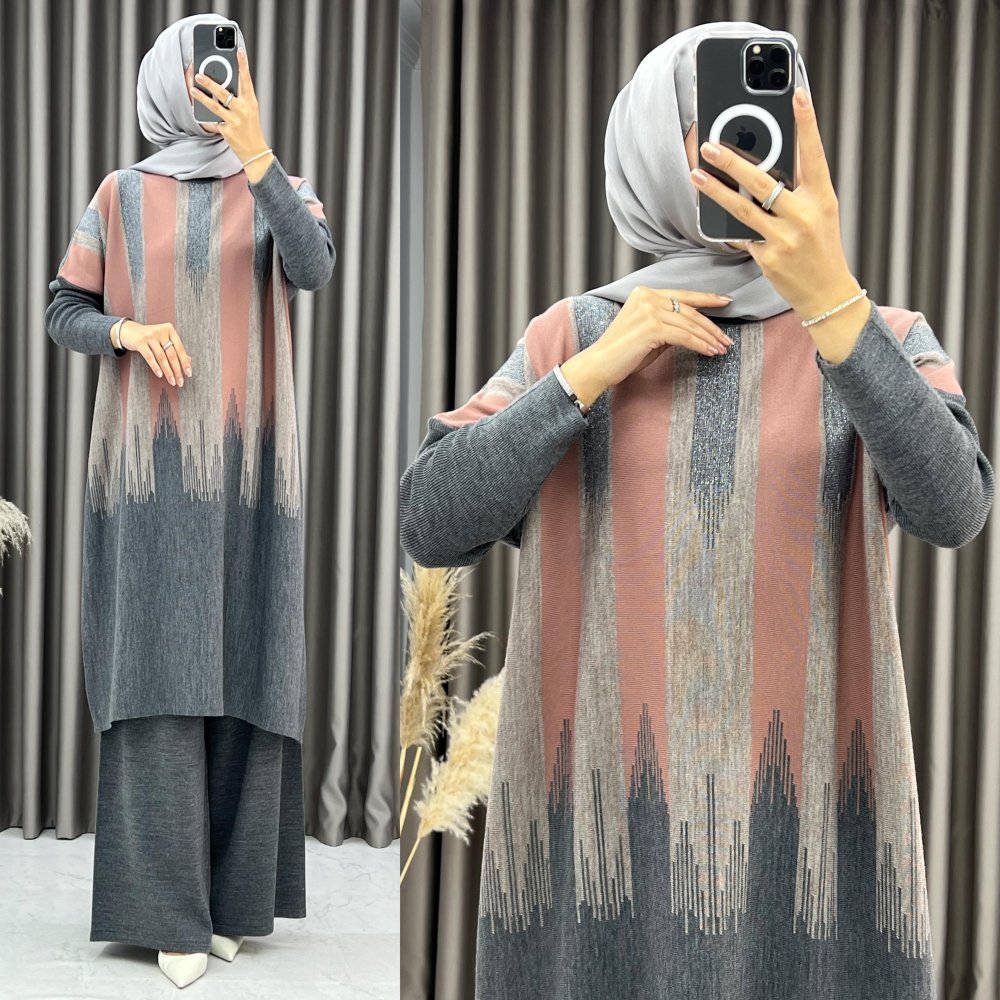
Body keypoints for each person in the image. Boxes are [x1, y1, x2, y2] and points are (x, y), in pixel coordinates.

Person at [398, 20, 993, 1000]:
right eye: (713, 124)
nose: (744, 152)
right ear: (647, 146)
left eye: (766, 126)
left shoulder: (877, 335)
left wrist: (834, 305)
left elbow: (954, 509)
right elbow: (431, 521)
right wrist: (588, 375)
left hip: (804, 837)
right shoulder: (573, 334)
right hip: (604, 836)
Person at [45, 13, 335, 990]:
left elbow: (313, 268)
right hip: (151, 477)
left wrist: (258, 155)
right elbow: (63, 310)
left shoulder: (280, 188)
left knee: (249, 668)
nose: (221, 83)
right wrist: (126, 332)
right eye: (207, 69)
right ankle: (167, 910)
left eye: (234, 70)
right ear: (168, 80)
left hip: (254, 476)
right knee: (162, 674)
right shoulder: (120, 194)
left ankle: (230, 901)